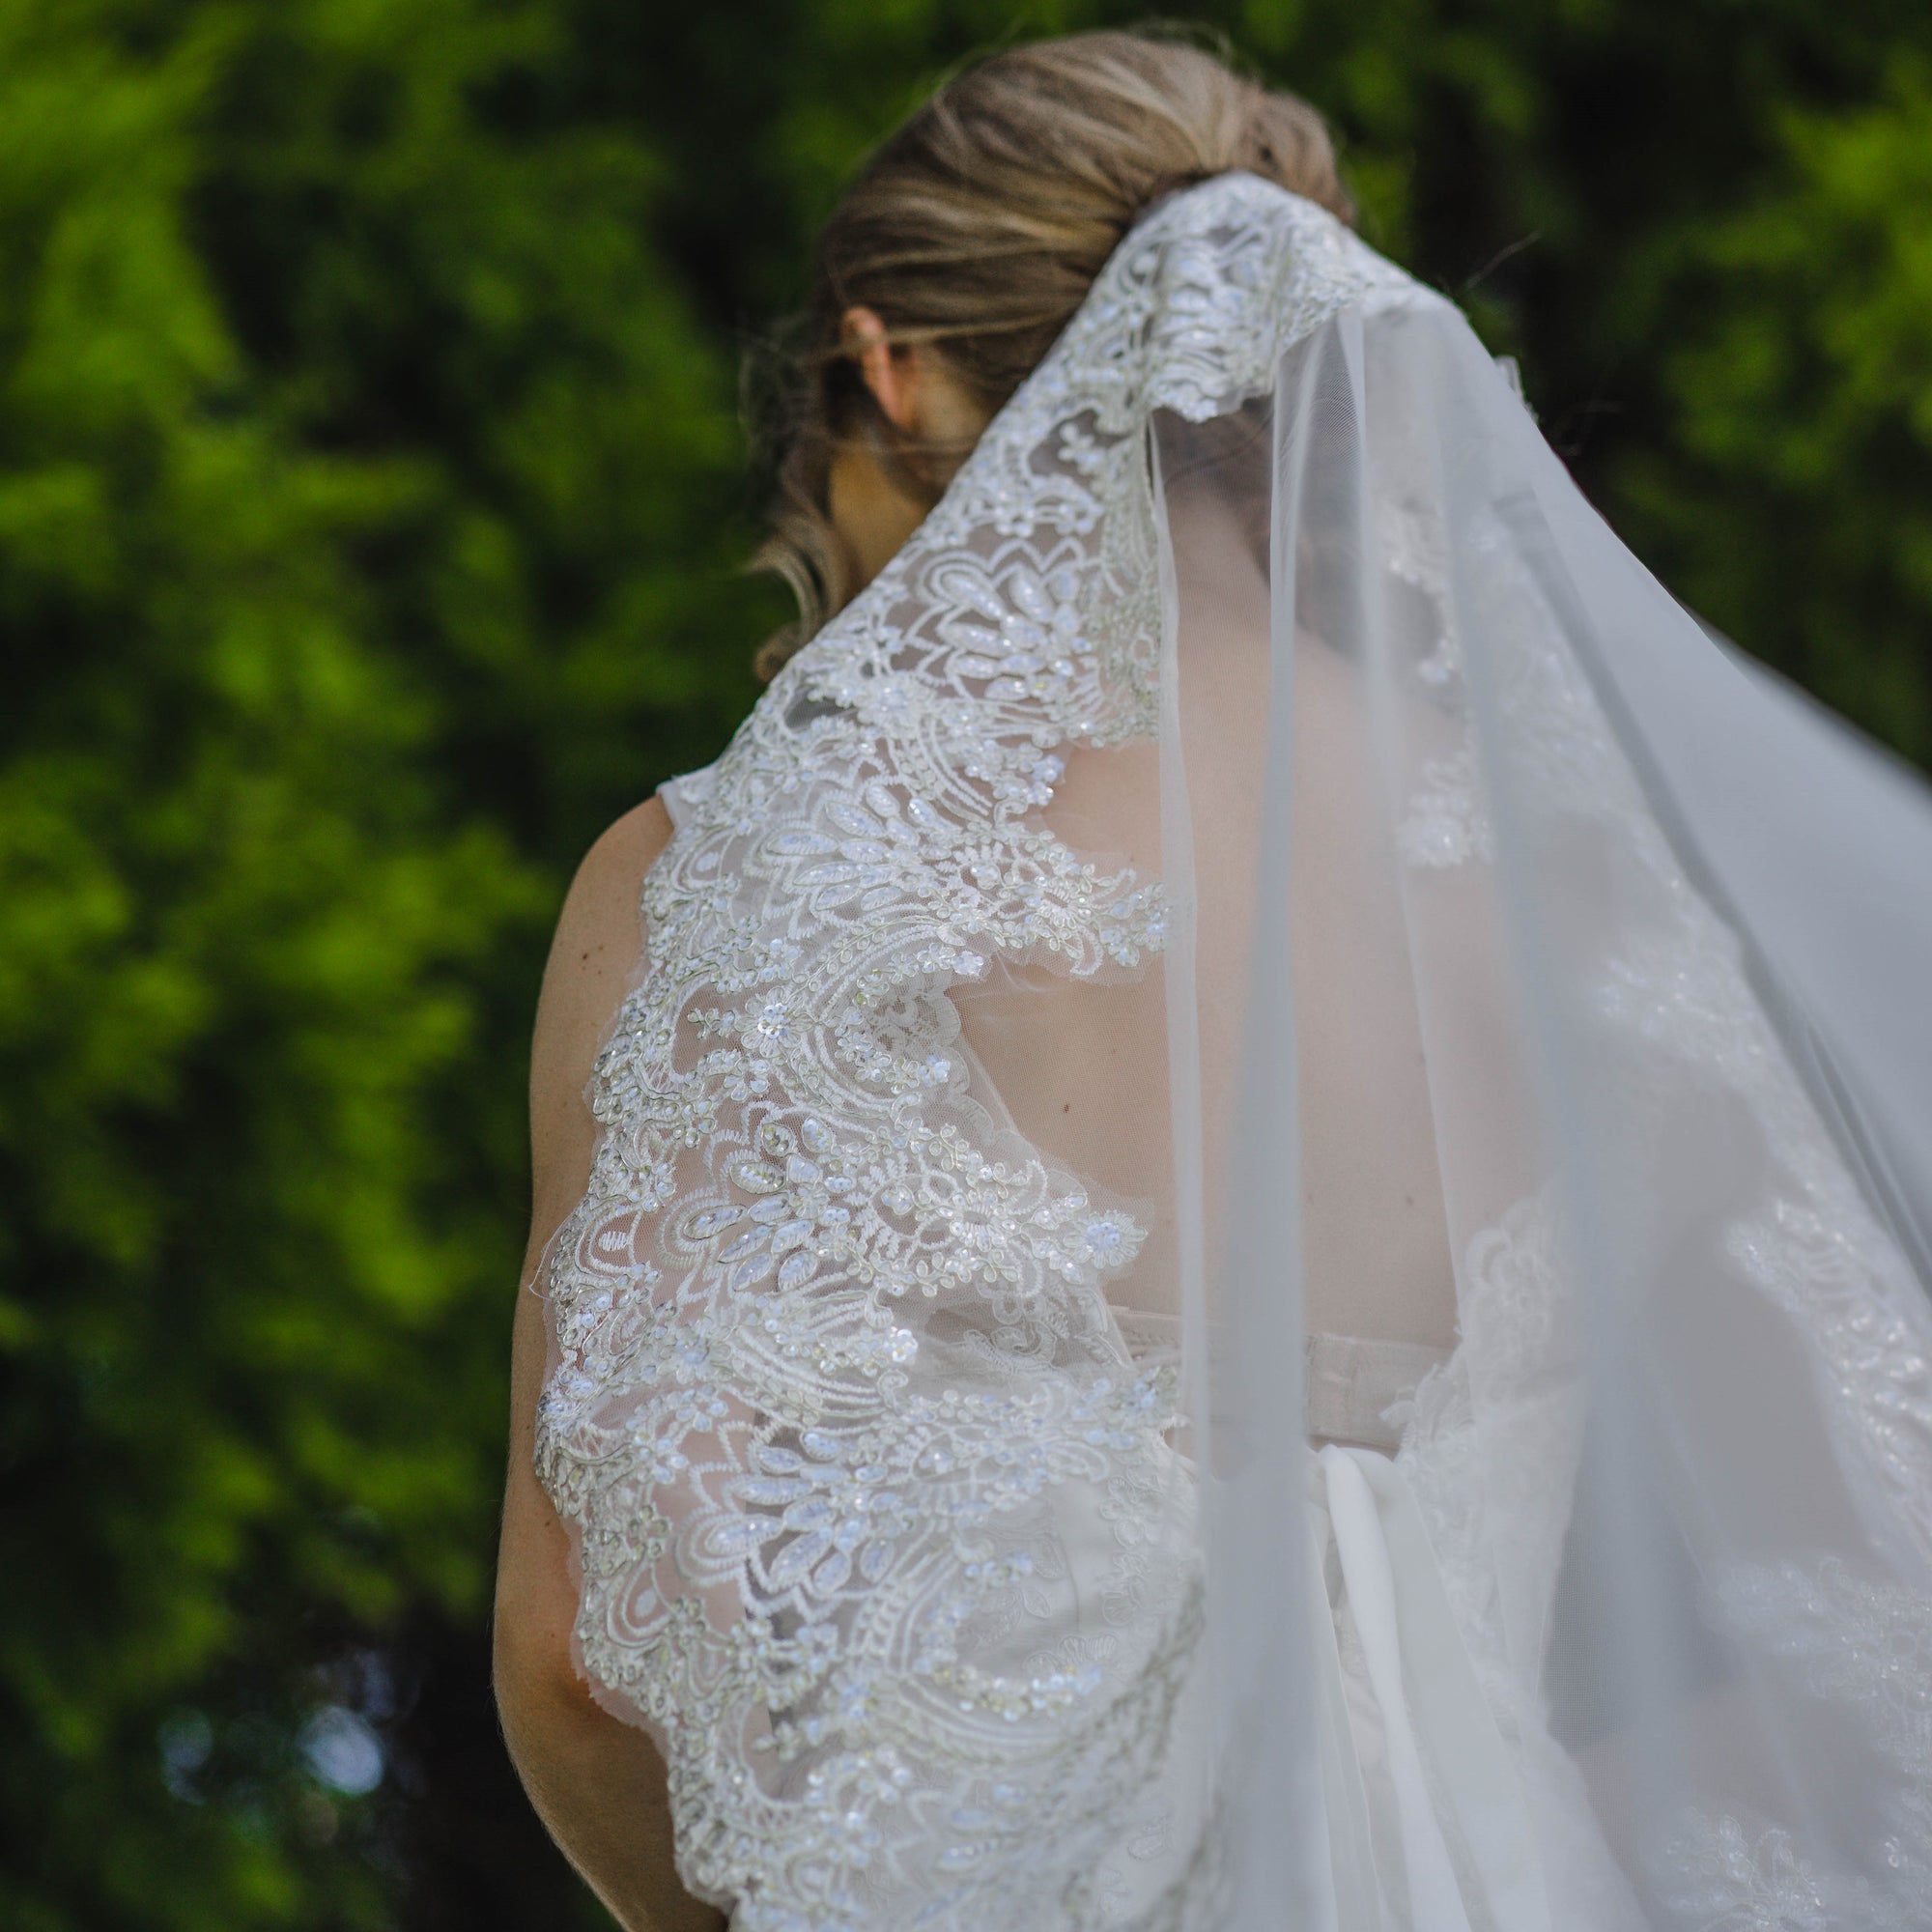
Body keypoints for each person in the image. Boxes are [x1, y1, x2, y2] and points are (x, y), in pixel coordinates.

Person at [494, 31, 1932, 1932]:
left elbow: (587, 1655)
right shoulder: (1575, 896)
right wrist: (1487, 1810)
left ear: (882, 365)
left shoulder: (717, 874)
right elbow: (1862, 1584)